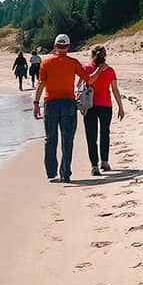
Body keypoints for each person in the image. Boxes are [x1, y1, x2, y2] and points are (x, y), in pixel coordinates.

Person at [33, 34, 92, 183]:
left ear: (55, 46)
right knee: (67, 139)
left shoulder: (46, 63)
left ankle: (51, 172)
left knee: (50, 138)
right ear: (68, 47)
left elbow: (41, 84)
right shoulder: (73, 63)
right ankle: (65, 173)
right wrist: (100, 69)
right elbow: (88, 79)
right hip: (68, 103)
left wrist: (35, 104)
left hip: (51, 104)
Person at [81, 45, 124, 176]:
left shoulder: (89, 69)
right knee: (104, 134)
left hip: (92, 106)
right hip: (103, 105)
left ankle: (96, 165)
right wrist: (120, 107)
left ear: (92, 55)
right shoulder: (107, 70)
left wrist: (120, 107)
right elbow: (115, 89)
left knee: (92, 136)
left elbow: (86, 83)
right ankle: (103, 162)